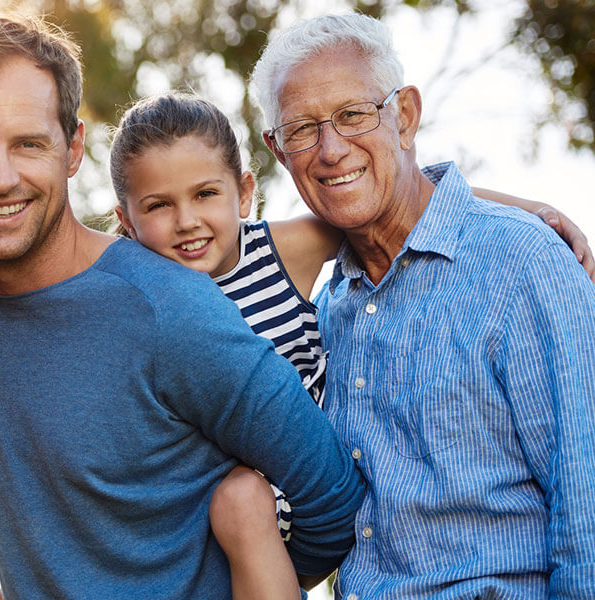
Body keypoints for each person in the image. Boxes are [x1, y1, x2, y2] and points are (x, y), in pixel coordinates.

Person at [0, 15, 365, 597]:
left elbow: (332, 499)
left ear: (73, 147)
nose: (1, 177)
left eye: (29, 143)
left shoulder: (169, 308)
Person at [108, 92, 595, 598]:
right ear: (125, 220)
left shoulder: (279, 252)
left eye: (206, 194)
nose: (187, 220)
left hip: (298, 493)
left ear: (245, 192)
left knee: (240, 499)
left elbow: (412, 200)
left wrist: (537, 209)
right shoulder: (132, 291)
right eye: (159, 205)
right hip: (202, 515)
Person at [248, 13, 595, 598]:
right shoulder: (327, 311)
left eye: (353, 114)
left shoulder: (522, 263)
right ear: (279, 152)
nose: (332, 150)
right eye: (302, 130)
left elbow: (587, 504)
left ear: (404, 116)